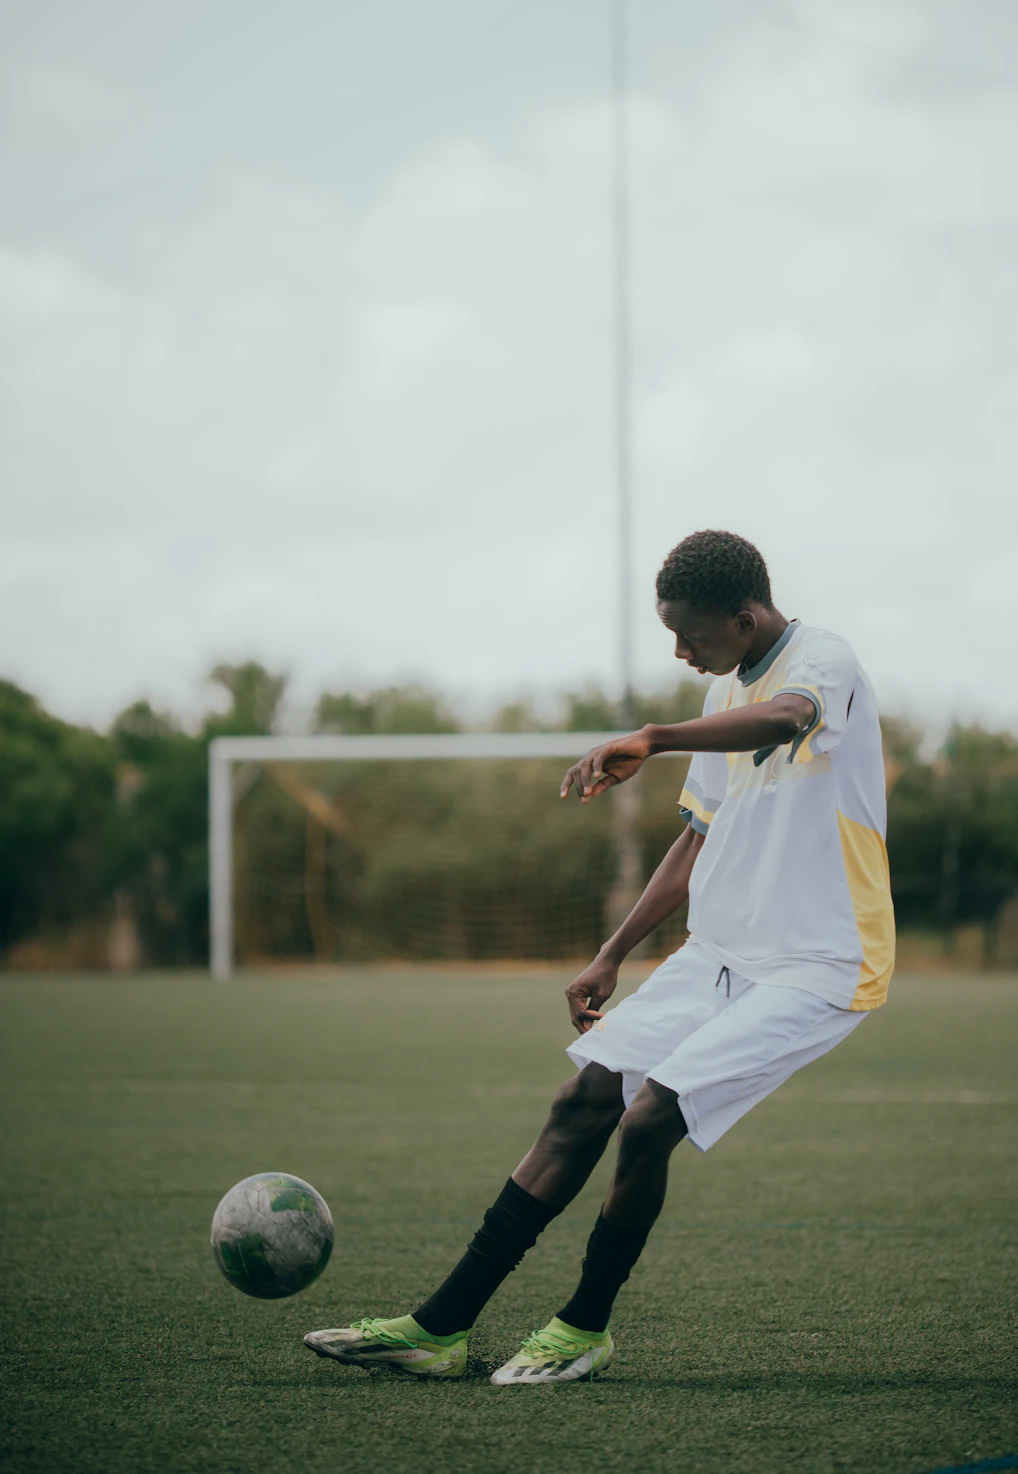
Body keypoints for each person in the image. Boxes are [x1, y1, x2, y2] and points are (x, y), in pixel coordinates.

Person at [303, 529, 895, 1385]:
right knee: (583, 1101)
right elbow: (696, 839)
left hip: (820, 962)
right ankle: (438, 1330)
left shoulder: (822, 662)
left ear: (745, 615)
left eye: (690, 634)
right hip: (722, 953)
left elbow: (789, 717)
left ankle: (582, 1327)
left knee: (651, 1115)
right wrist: (612, 952)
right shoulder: (730, 688)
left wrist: (654, 735)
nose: (681, 650)